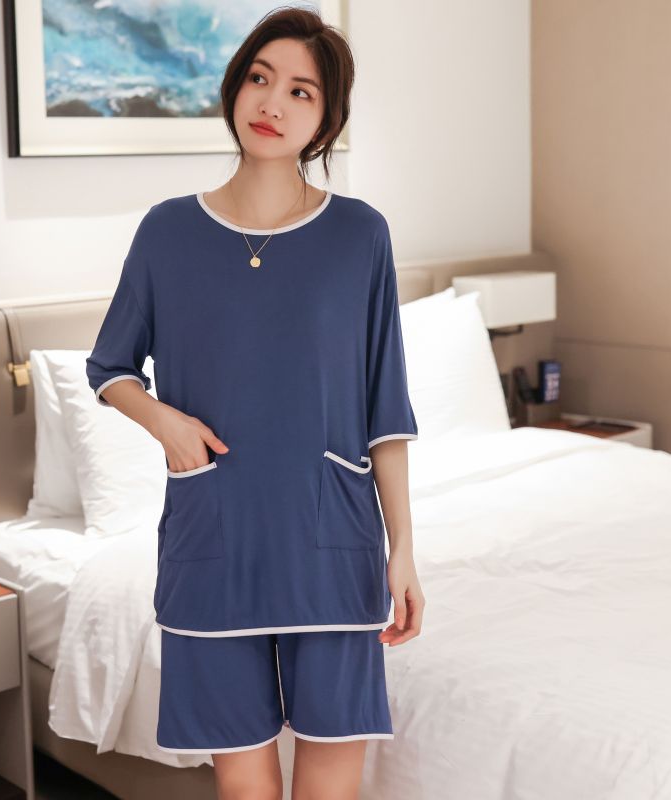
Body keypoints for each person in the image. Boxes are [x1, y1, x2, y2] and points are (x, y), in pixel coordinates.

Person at [85, 6, 426, 799]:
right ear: (235, 89)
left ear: (326, 119)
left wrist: (403, 549)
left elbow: (386, 410)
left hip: (332, 542)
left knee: (331, 777)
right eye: (260, 79)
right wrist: (164, 421)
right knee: (244, 785)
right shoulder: (168, 231)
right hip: (215, 541)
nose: (273, 103)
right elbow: (110, 366)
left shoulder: (360, 236)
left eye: (301, 92)